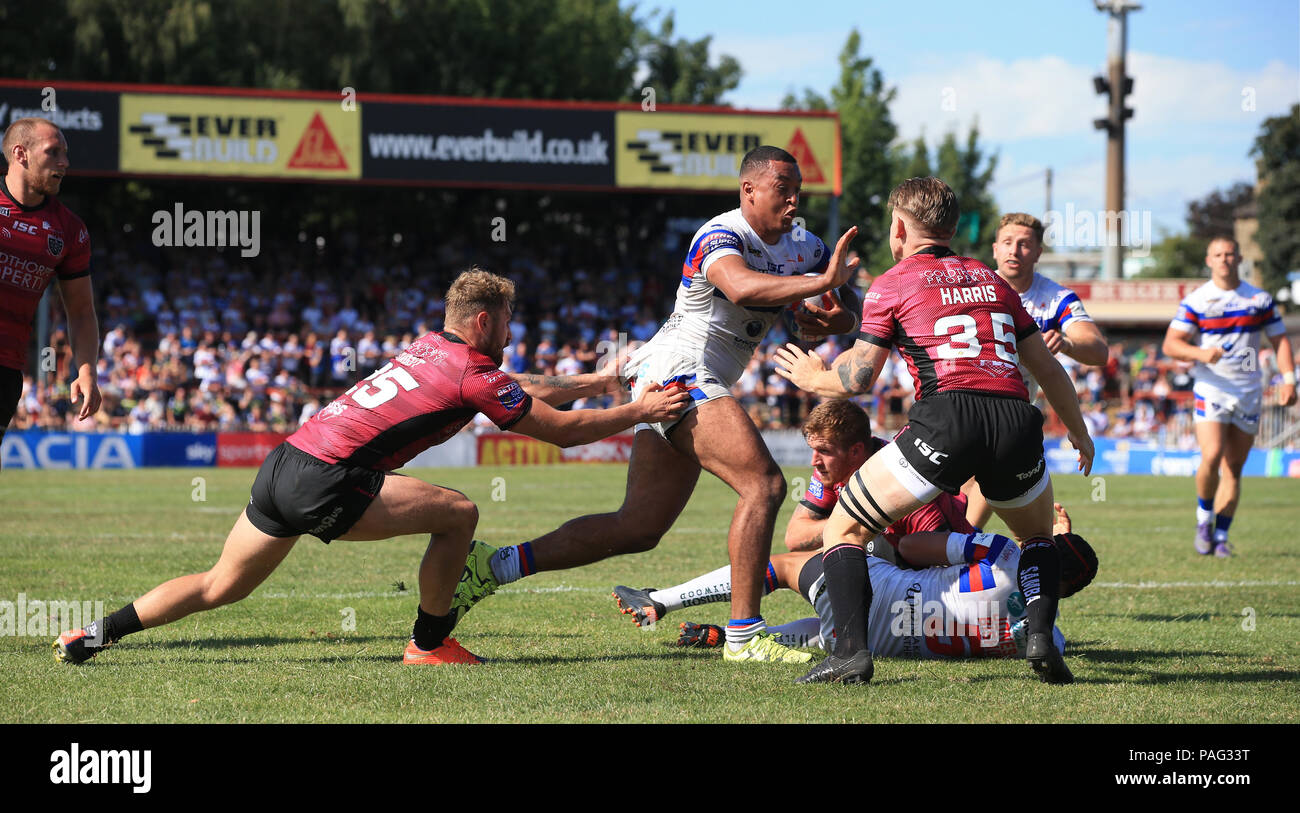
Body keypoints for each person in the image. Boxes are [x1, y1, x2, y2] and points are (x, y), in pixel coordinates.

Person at [54, 268, 690, 666]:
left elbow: (522, 385)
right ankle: (429, 642)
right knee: (459, 514)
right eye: (506, 324)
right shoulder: (475, 372)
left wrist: (600, 380)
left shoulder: (432, 348)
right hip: (329, 478)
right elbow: (557, 436)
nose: (509, 335)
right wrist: (641, 408)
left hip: (284, 463)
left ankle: (96, 633)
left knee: (222, 584)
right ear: (484, 321)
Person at [449, 145, 862, 665]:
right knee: (764, 485)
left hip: (688, 375)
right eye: (783, 187)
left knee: (638, 527)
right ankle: (744, 636)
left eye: (798, 188)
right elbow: (740, 287)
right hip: (678, 370)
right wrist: (819, 283)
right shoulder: (720, 234)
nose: (795, 198)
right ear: (749, 190)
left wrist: (832, 319)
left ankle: (494, 566)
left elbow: (850, 314)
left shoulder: (808, 245)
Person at [775, 176, 1094, 685]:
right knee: (1036, 536)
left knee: (844, 529)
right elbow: (1049, 369)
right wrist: (1078, 430)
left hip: (948, 417)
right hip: (1015, 416)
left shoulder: (895, 281)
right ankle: (1037, 638)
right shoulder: (993, 281)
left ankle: (850, 654)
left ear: (899, 226)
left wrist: (815, 377)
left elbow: (859, 378)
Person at [611, 399, 976, 628]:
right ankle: (699, 623)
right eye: (811, 449)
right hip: (900, 597)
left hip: (930, 596)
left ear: (857, 452)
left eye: (824, 451)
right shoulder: (831, 470)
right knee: (834, 589)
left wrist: (855, 527)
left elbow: (933, 555)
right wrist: (850, 522)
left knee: (795, 565)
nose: (814, 462)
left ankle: (665, 601)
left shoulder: (902, 477)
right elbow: (796, 533)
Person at [628, 506, 1095, 664]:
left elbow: (912, 547)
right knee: (819, 633)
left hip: (878, 593)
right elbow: (1039, 590)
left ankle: (661, 601)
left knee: (785, 564)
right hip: (887, 643)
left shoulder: (1004, 552)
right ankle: (731, 637)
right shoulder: (1051, 640)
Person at [961, 213, 1108, 530]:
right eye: (1008, 243)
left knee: (974, 505)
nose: (1015, 251)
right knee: (962, 503)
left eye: (1025, 244)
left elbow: (1097, 350)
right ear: (995, 249)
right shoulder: (971, 288)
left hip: (1009, 416)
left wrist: (1067, 343)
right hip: (963, 405)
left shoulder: (1055, 298)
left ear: (1039, 252)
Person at [1161, 236, 1296, 557]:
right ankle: (1204, 520)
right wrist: (1199, 353)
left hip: (1248, 390)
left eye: (1230, 254)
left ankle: (1221, 537)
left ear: (1239, 259)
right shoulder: (1197, 300)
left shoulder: (1259, 299)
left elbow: (1280, 340)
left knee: (1234, 467)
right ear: (1209, 261)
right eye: (1218, 254)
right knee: (1212, 455)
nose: (1224, 259)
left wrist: (1288, 379)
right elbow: (1171, 344)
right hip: (1212, 387)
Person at [0, 118, 100, 455]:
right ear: (20, 154)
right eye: (53, 152)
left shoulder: (69, 231)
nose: (65, 162)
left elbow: (82, 312)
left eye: (66, 153)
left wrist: (86, 371)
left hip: (6, 369)